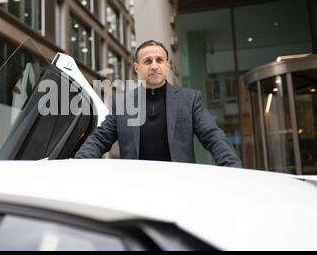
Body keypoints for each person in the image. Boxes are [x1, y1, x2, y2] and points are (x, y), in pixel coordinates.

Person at [74, 40, 242, 168]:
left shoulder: (190, 100)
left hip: (181, 186)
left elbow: (213, 136)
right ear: (136, 67)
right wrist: (78, 164)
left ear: (167, 64)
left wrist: (232, 168)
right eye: (147, 61)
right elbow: (99, 138)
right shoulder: (122, 104)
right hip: (137, 188)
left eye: (159, 60)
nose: (154, 66)